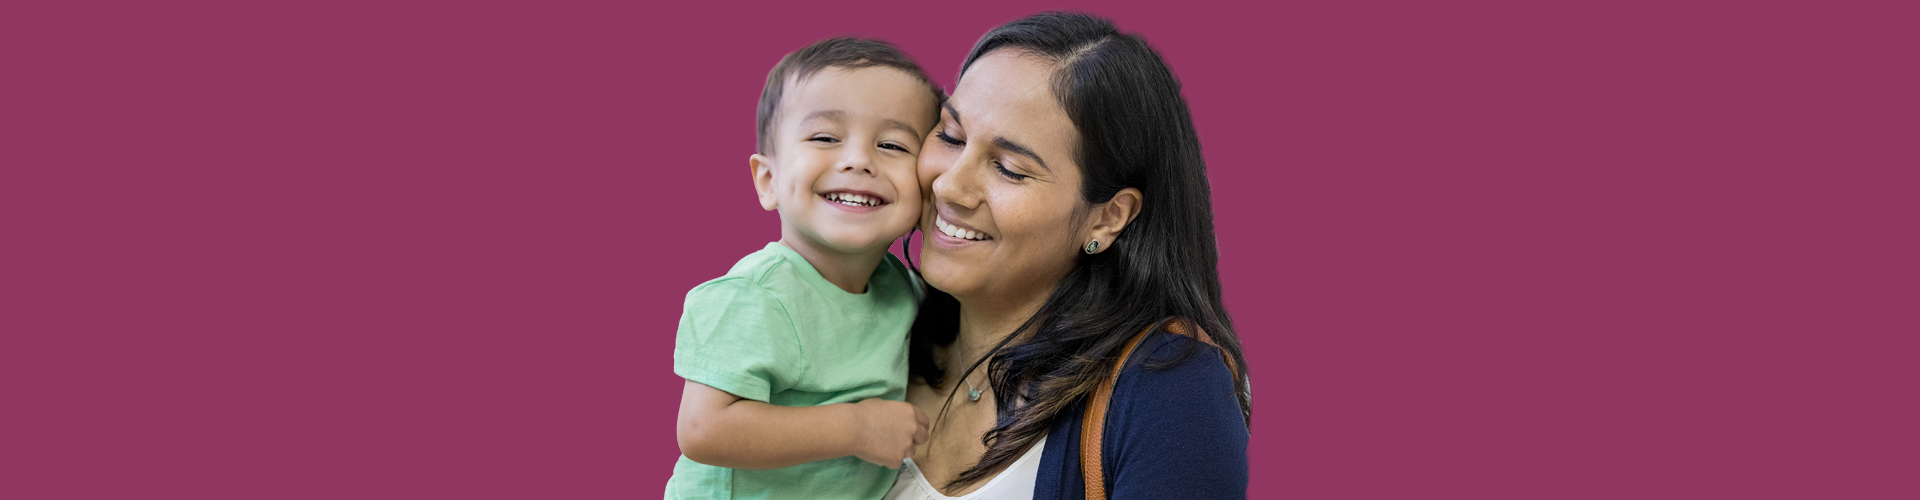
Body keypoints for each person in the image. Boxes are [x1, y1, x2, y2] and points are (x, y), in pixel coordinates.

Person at [884, 13, 1252, 500]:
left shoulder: (1172, 392)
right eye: (951, 136)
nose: (950, 184)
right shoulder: (872, 326)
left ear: (1107, 217)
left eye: (1010, 169)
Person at [666, 37, 945, 499]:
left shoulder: (903, 290)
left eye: (893, 145)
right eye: (825, 138)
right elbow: (703, 430)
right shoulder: (755, 295)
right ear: (768, 180)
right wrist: (856, 428)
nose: (858, 160)